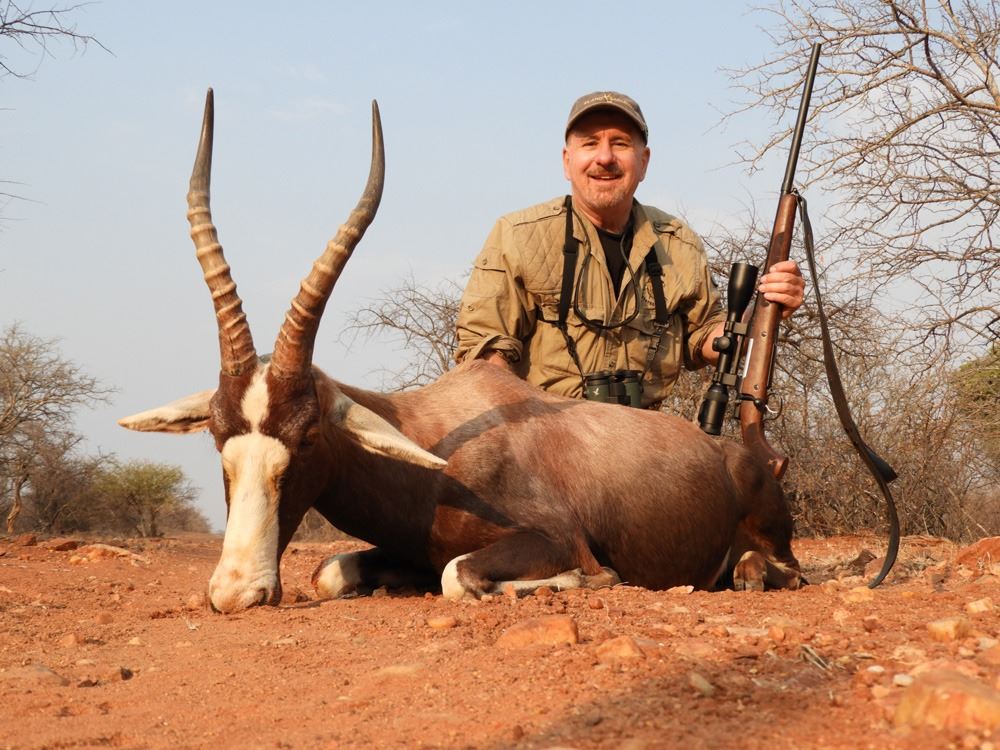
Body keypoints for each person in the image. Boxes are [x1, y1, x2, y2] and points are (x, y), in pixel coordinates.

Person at [454, 91, 805, 408]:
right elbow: (483, 353)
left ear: (644, 161)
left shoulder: (679, 243)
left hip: (644, 438)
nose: (605, 157)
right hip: (545, 436)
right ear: (566, 161)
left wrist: (765, 310)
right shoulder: (517, 235)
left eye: (620, 143)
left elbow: (708, 339)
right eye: (590, 143)